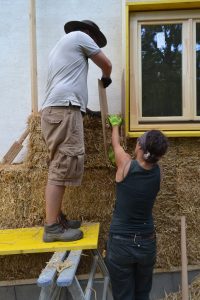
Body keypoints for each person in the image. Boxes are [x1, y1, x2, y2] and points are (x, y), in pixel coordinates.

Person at [41, 20, 112, 242]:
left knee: (58, 164)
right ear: (88, 33)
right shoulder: (80, 37)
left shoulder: (61, 46)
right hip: (64, 111)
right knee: (62, 166)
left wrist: (83, 107)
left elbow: (67, 80)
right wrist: (106, 78)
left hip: (56, 110)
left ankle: (56, 217)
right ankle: (52, 227)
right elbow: (106, 64)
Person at [105, 115, 168, 300]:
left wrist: (115, 125)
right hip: (147, 244)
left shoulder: (125, 164)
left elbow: (116, 145)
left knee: (124, 296)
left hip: (121, 243)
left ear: (139, 147)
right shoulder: (158, 173)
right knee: (142, 295)